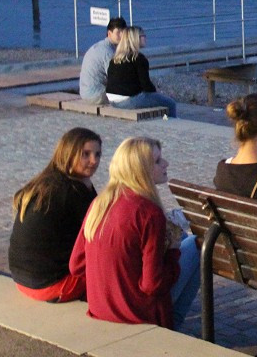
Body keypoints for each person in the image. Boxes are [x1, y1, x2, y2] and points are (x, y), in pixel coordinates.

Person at [69, 136, 200, 329]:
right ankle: (174, 327)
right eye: (157, 161)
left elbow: (77, 265)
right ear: (141, 170)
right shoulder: (149, 213)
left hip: (101, 309)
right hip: (137, 314)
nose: (166, 163)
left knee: (183, 237)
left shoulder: (100, 203)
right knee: (198, 244)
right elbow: (152, 285)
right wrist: (172, 252)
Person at [8, 127, 102, 302]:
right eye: (85, 154)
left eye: (97, 155)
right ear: (68, 153)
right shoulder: (74, 191)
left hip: (22, 279)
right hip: (52, 285)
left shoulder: (44, 182)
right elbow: (98, 236)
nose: (93, 161)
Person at [105, 26, 177, 117]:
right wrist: (156, 93)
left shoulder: (115, 59)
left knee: (154, 98)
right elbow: (146, 85)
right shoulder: (139, 58)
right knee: (170, 103)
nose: (145, 38)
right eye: (143, 35)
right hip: (128, 101)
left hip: (112, 100)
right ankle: (171, 124)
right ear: (136, 39)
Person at [79, 17, 127, 104]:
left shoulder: (100, 46)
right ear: (109, 33)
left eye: (123, 32)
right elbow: (116, 78)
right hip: (96, 95)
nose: (122, 36)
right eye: (118, 32)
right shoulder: (108, 52)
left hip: (85, 92)